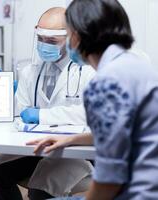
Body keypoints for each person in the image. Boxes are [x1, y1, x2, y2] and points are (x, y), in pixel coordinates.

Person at [28, 0, 158, 199]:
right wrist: (72, 139)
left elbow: (109, 181)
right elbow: (123, 131)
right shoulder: (136, 64)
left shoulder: (105, 83)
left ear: (77, 37)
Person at [0, 7, 95, 200]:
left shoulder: (88, 71)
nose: (45, 45)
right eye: (41, 39)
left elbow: (90, 114)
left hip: (77, 150)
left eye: (52, 41)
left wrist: (41, 115)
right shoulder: (30, 71)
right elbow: (21, 112)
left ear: (71, 39)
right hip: (38, 146)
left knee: (40, 190)